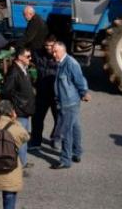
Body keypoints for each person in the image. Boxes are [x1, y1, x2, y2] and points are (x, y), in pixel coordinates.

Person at [50, 42, 90, 170]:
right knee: (75, 127)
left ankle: (65, 160)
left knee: (65, 131)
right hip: (68, 101)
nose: (53, 54)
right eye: (52, 51)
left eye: (55, 51)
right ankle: (77, 153)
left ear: (63, 50)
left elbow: (79, 79)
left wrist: (84, 92)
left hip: (69, 103)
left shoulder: (70, 63)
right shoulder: (61, 62)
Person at [0, 48, 36, 172]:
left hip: (25, 110)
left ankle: (23, 162)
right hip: (19, 111)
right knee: (19, 139)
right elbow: (5, 92)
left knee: (24, 137)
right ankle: (19, 166)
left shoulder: (23, 69)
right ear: (20, 57)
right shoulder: (14, 72)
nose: (30, 58)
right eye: (28, 56)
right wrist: (11, 110)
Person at [28, 36, 59, 150]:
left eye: (51, 46)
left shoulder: (59, 56)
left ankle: (56, 139)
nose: (48, 48)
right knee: (37, 118)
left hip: (56, 94)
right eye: (46, 45)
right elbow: (28, 55)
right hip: (42, 92)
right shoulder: (38, 54)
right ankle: (36, 141)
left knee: (59, 118)